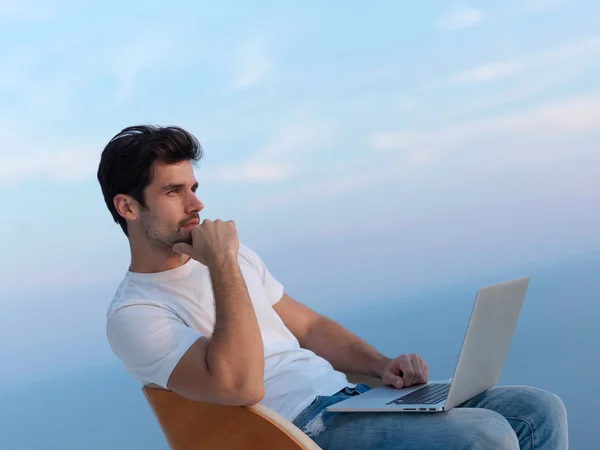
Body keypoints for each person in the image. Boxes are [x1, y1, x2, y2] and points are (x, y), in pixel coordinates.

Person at [98, 124, 568, 450]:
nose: (197, 203)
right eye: (174, 191)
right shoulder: (135, 313)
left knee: (537, 409)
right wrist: (221, 265)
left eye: (193, 186)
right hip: (300, 432)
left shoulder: (235, 256)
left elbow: (310, 327)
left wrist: (383, 367)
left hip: (352, 402)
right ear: (129, 207)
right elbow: (240, 385)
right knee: (486, 438)